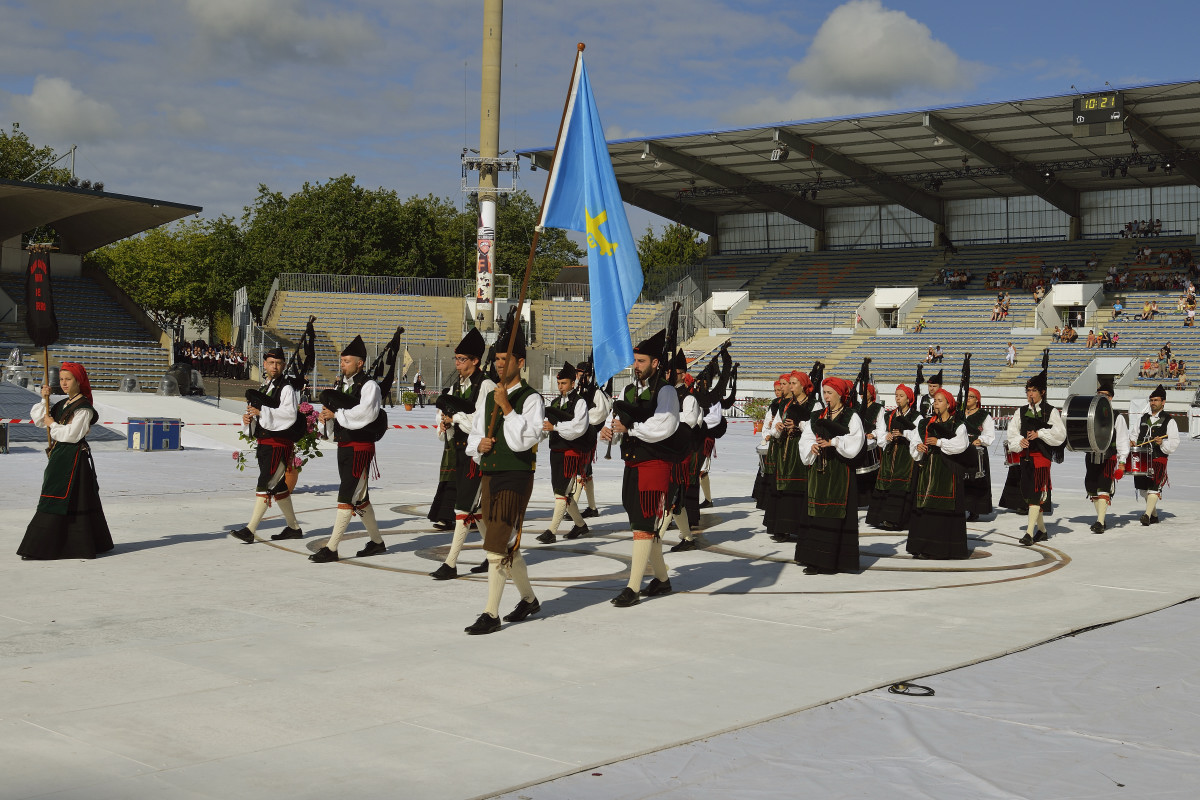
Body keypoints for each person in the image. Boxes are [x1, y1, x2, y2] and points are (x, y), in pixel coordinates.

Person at [463, 320, 544, 634]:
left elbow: (524, 441)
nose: (498, 363)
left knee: (495, 547)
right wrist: (478, 446)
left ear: (519, 363)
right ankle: (529, 598)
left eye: (504, 359)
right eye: (496, 359)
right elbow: (475, 436)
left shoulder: (531, 399)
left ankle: (491, 613)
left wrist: (508, 409)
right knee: (508, 543)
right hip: (490, 474)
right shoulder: (487, 398)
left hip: (516, 476)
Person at [600, 329, 680, 607]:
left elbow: (664, 427)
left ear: (656, 363)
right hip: (632, 461)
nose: (636, 366)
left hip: (655, 463)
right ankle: (663, 579)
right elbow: (618, 418)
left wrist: (630, 428)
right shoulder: (628, 389)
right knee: (639, 522)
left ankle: (633, 587)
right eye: (635, 361)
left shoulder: (667, 391)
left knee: (644, 523)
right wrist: (610, 431)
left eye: (642, 361)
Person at [18, 363, 114, 560]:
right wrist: (44, 398)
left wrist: (52, 424)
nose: (63, 383)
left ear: (78, 381)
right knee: (54, 496)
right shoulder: (63, 404)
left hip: (74, 459)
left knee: (71, 498)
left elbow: (72, 435)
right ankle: (59, 544)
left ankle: (56, 546)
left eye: (68, 379)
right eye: (61, 379)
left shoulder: (84, 408)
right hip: (59, 456)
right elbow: (38, 419)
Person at [309, 336, 388, 563]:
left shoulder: (369, 386)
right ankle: (376, 542)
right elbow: (338, 414)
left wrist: (338, 415)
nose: (342, 365)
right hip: (344, 446)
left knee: (346, 496)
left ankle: (332, 548)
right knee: (360, 498)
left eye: (346, 361)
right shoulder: (342, 385)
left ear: (359, 363)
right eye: (341, 361)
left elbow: (367, 414)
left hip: (360, 448)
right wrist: (327, 418)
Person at [429, 328, 495, 580]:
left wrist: (456, 417)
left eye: (462, 359)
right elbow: (453, 416)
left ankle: (451, 562)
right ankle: (494, 555)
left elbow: (480, 421)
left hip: (477, 455)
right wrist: (445, 422)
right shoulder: (456, 386)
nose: (457, 364)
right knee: (473, 510)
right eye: (456, 359)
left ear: (476, 360)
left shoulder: (486, 385)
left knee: (463, 508)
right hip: (459, 452)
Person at [229, 347, 305, 544]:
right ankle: (293, 528)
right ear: (264, 364)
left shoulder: (286, 388)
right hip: (265, 444)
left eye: (279, 363)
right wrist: (249, 419)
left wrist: (262, 413)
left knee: (266, 484)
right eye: (271, 363)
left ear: (283, 365)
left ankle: (250, 530)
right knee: (278, 487)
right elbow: (259, 414)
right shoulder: (266, 387)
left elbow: (289, 415)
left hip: (279, 445)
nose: (275, 366)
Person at [795, 377, 865, 574]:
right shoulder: (816, 415)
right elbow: (806, 437)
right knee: (816, 514)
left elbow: (855, 441)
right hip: (819, 473)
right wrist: (812, 446)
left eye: (830, 393)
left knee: (835, 514)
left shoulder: (851, 416)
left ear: (840, 394)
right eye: (824, 392)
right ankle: (814, 559)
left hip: (840, 472)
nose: (826, 396)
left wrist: (834, 443)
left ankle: (834, 561)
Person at [1006, 360, 1067, 546]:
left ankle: (1029, 533)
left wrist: (1040, 434)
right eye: (1028, 391)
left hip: (1041, 459)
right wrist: (1020, 442)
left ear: (1042, 392)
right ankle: (1042, 530)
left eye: (1033, 390)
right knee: (1028, 495)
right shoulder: (1021, 411)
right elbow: (1011, 434)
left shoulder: (1051, 412)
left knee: (1035, 495)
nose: (1030, 394)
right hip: (1025, 458)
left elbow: (1060, 435)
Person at [906, 388, 971, 559]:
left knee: (941, 509)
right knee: (925, 508)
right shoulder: (925, 423)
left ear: (949, 404)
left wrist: (939, 442)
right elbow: (915, 441)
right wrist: (918, 447)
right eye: (935, 401)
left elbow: (961, 445)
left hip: (947, 471)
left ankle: (939, 549)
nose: (936, 404)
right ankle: (921, 545)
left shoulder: (957, 424)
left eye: (940, 401)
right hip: (927, 470)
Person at [537, 362, 592, 544]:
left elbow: (579, 427)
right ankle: (580, 525)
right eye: (559, 383)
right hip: (556, 452)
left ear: (573, 383)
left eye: (564, 383)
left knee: (561, 492)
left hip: (571, 452)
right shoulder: (554, 402)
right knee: (563, 493)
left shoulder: (580, 402)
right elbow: (547, 426)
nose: (561, 387)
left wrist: (556, 427)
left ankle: (552, 531)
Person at [771, 368, 821, 543]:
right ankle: (783, 528)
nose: (790, 387)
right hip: (785, 449)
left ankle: (801, 528)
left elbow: (816, 427)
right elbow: (776, 421)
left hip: (802, 450)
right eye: (790, 383)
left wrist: (798, 425)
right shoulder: (785, 404)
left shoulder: (814, 405)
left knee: (801, 489)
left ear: (803, 385)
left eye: (794, 383)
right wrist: (777, 427)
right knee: (784, 491)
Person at [865, 383, 920, 531]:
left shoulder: (916, 416)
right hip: (889, 454)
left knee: (900, 484)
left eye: (901, 396)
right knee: (885, 482)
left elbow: (918, 435)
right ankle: (880, 517)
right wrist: (886, 437)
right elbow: (881, 432)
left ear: (908, 399)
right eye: (896, 395)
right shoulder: (889, 415)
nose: (897, 399)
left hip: (905, 455)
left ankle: (895, 519)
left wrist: (904, 434)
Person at [1084, 377, 1129, 534]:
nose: (1100, 397)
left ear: (1111, 397)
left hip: (1109, 456)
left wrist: (1122, 463)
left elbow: (1123, 441)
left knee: (1104, 487)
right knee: (1091, 487)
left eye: (1104, 394)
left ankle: (1100, 522)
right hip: (1091, 456)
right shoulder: (1090, 414)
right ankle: (1100, 518)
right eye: (1098, 394)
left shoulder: (1117, 417)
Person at [1131, 384, 1179, 526]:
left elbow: (1175, 442)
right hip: (1142, 458)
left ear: (1163, 402)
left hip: (1158, 458)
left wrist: (1162, 443)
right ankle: (1154, 515)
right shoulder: (1142, 418)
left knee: (1154, 487)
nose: (1153, 403)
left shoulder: (1169, 420)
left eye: (1156, 400)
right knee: (1143, 490)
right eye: (1151, 400)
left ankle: (1146, 515)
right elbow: (1133, 434)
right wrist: (1132, 442)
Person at [573, 359, 610, 518]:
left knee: (582, 470)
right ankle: (592, 507)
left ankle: (571, 506)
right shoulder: (575, 390)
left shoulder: (595, 392)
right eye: (581, 374)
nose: (584, 378)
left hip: (588, 434)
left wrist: (581, 419)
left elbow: (601, 412)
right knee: (584, 471)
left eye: (586, 375)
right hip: (575, 435)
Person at [960, 388, 995, 521]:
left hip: (977, 451)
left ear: (977, 400)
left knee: (975, 480)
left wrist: (981, 440)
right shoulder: (959, 414)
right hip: (961, 450)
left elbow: (989, 434)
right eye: (967, 396)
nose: (968, 398)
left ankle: (975, 509)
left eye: (972, 396)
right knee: (961, 479)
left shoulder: (984, 415)